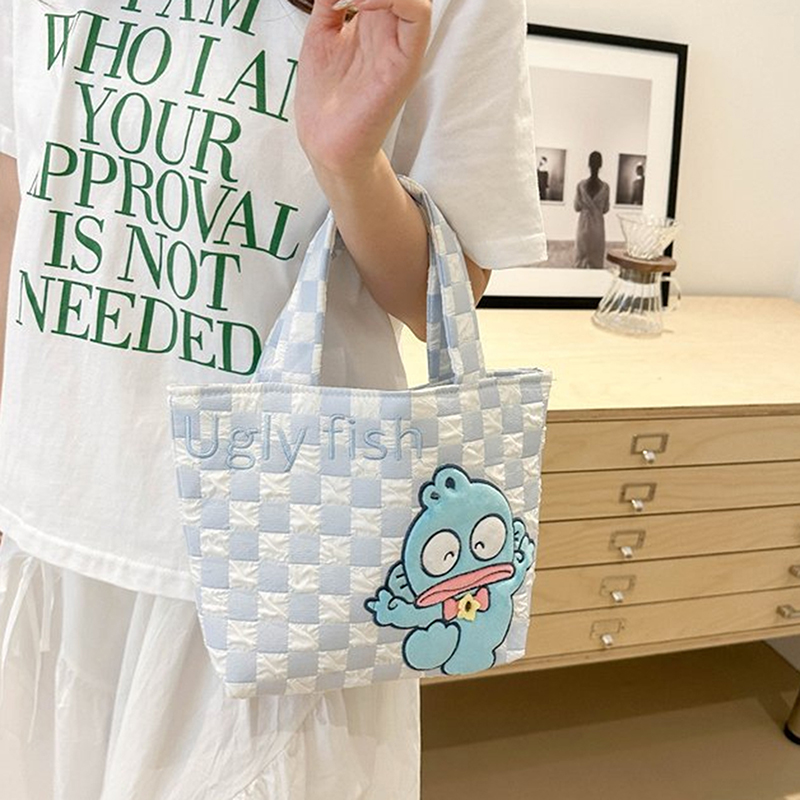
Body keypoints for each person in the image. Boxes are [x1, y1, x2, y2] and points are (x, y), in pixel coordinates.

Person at [0, 1, 547, 798]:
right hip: (43, 527)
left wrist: (349, 165)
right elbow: (19, 201)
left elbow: (444, 294)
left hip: (281, 558)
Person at [574, 150, 610, 269]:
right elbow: (606, 209)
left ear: (588, 164)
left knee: (580, 259)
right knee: (596, 260)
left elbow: (577, 207)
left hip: (584, 225)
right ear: (601, 165)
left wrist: (587, 206)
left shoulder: (581, 186)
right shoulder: (605, 187)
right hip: (598, 227)